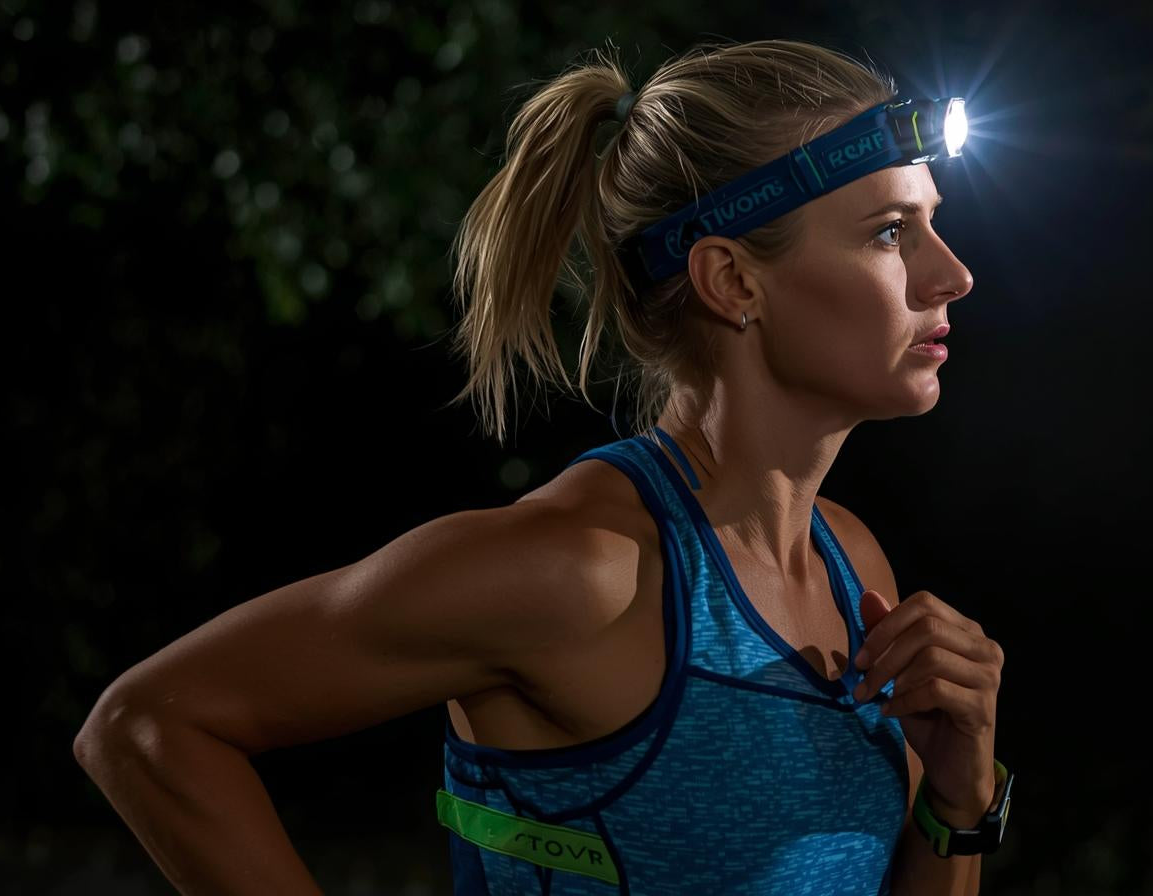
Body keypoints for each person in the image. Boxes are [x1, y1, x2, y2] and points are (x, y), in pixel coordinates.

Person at [74, 38, 1007, 895]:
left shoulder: (855, 571)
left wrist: (959, 799)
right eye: (891, 232)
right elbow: (149, 726)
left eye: (931, 223)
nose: (953, 274)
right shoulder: (585, 574)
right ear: (732, 280)